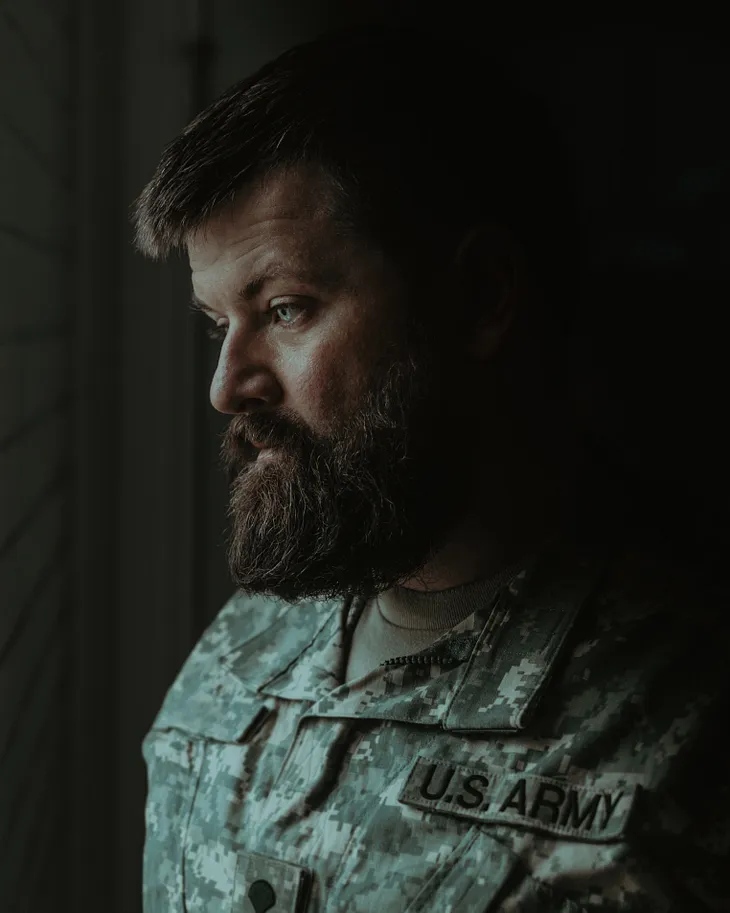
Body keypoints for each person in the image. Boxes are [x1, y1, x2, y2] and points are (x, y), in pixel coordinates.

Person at [133, 24, 729, 913]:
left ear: (481, 297)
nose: (227, 386)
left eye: (287, 309)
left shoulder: (679, 723)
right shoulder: (250, 641)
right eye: (219, 324)